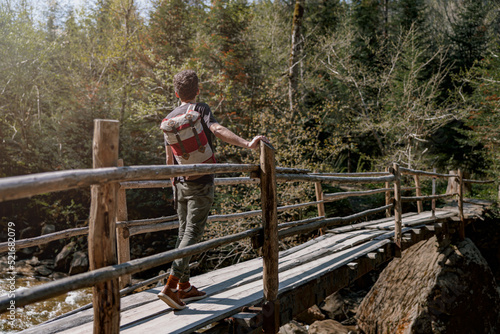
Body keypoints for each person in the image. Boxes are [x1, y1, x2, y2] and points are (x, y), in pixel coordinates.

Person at [157, 70, 269, 310]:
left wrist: (174, 184)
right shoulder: (200, 109)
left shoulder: (169, 119)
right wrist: (247, 143)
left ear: (176, 93)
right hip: (201, 182)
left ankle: (185, 288)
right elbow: (217, 130)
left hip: (180, 183)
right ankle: (170, 286)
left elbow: (169, 159)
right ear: (197, 90)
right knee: (193, 235)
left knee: (183, 234)